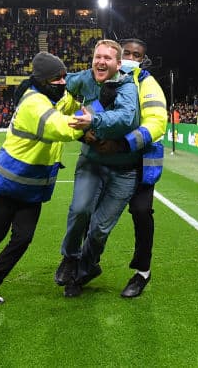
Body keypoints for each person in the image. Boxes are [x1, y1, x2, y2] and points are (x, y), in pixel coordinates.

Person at [0, 52, 85, 304]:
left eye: (64, 78)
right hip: (9, 182)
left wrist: (91, 101)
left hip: (33, 186)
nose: (63, 83)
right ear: (44, 81)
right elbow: (61, 127)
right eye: (58, 78)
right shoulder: (34, 103)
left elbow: (71, 103)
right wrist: (92, 121)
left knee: (23, 238)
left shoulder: (53, 96)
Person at [55, 39, 140, 298]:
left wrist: (94, 120)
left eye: (107, 58)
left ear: (117, 64)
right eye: (97, 57)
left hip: (124, 170)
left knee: (99, 229)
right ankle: (70, 258)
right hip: (92, 161)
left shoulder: (126, 87)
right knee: (80, 209)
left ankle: (83, 271)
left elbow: (127, 118)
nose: (101, 62)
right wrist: (39, 82)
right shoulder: (84, 79)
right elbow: (63, 79)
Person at [115, 38, 168, 299]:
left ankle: (142, 273)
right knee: (91, 212)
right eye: (127, 53)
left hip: (141, 160)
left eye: (136, 55)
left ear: (143, 59)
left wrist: (125, 143)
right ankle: (84, 265)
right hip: (110, 159)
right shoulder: (108, 78)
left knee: (141, 211)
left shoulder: (149, 84)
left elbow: (158, 122)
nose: (131, 58)